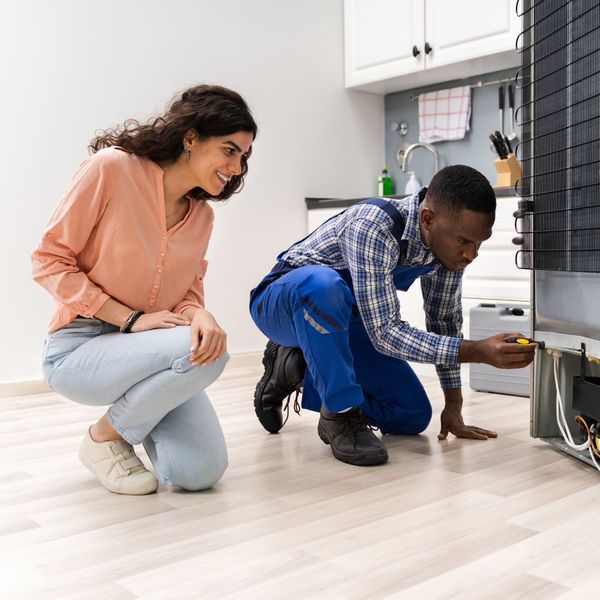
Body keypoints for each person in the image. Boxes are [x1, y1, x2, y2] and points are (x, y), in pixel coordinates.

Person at [32, 84, 257, 494]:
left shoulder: (202, 216)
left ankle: (128, 423)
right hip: (78, 348)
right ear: (191, 138)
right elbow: (48, 260)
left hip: (152, 350)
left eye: (243, 156)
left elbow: (187, 293)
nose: (237, 167)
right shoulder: (111, 169)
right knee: (209, 351)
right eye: (229, 150)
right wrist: (130, 319)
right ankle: (106, 438)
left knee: (199, 473)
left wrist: (199, 312)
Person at [249, 165, 537, 466]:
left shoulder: (446, 254)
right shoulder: (373, 225)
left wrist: (454, 403)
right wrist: (477, 351)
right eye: (464, 241)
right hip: (281, 305)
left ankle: (293, 368)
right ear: (427, 219)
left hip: (348, 324)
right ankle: (340, 415)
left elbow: (444, 322)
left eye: (479, 243)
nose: (471, 254)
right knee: (324, 287)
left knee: (411, 414)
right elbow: (385, 333)